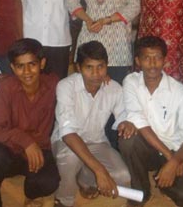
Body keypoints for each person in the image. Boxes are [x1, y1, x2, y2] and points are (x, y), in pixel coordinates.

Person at [51, 40, 135, 207]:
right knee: (71, 158)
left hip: (97, 142)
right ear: (78, 68)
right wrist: (100, 171)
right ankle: (64, 199)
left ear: (107, 66)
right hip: (66, 143)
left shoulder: (114, 88)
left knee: (122, 176)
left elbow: (123, 116)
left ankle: (85, 179)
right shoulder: (66, 86)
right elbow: (68, 134)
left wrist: (126, 123)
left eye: (100, 67)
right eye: (89, 67)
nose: (96, 74)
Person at [0, 38, 60, 207]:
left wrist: (102, 77)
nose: (26, 72)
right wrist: (26, 141)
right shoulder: (6, 87)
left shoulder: (53, 84)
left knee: (49, 182)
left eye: (32, 64)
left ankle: (31, 194)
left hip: (39, 151)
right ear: (12, 68)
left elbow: (78, 83)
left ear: (42, 63)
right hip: (10, 151)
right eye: (20, 66)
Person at [120, 36, 183, 207]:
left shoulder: (179, 91)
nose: (152, 64)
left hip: (173, 147)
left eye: (157, 58)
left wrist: (175, 160)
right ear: (138, 61)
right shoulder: (131, 82)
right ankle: (141, 191)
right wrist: (171, 158)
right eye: (147, 58)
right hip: (147, 148)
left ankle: (161, 181)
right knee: (128, 140)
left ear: (165, 60)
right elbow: (137, 118)